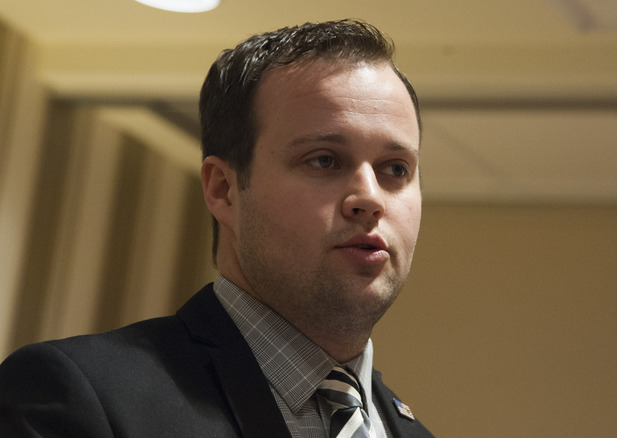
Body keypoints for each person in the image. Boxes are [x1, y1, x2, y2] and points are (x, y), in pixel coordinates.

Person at [0, 19, 434, 438]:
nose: (370, 198)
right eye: (324, 160)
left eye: (396, 168)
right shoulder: (76, 395)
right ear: (223, 190)